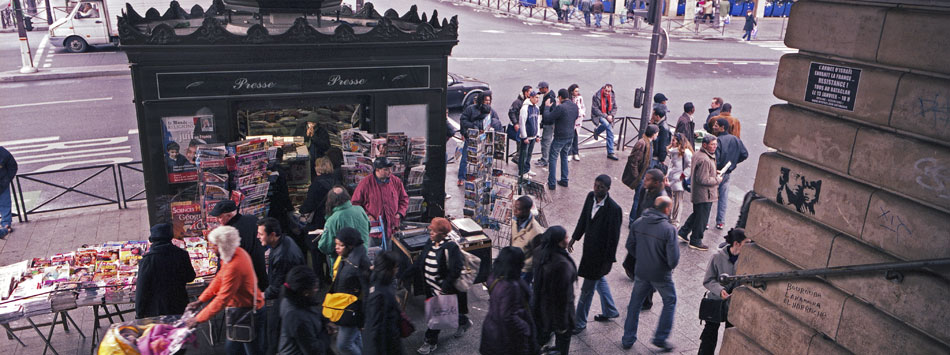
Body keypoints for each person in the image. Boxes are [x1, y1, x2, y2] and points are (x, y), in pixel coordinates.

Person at [186, 226, 265, 355]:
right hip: (240, 310)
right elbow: (219, 279)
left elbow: (222, 299)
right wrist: (201, 300)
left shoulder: (234, 265)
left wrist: (198, 319)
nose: (211, 249)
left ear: (222, 246)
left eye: (214, 246)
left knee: (250, 351)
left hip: (248, 312)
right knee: (233, 349)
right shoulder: (235, 254)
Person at [621, 196, 680, 352]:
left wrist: (641, 258)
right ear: (666, 209)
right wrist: (666, 266)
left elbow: (630, 246)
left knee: (635, 303)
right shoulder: (669, 230)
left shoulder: (639, 223)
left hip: (641, 270)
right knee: (670, 300)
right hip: (661, 274)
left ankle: (628, 338)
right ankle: (660, 338)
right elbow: (673, 259)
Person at [404, 218, 471, 355]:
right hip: (430, 287)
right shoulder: (430, 242)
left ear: (442, 233)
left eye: (434, 230)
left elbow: (456, 269)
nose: (430, 231)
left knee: (437, 317)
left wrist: (444, 288)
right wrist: (403, 275)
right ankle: (463, 321)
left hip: (443, 290)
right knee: (445, 313)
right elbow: (419, 262)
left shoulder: (451, 247)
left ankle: (430, 342)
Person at [569, 175, 622, 333]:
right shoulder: (590, 197)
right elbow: (583, 219)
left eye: (601, 187)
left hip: (599, 257)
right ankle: (610, 310)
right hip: (588, 251)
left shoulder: (614, 209)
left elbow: (614, 238)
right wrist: (574, 238)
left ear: (608, 189)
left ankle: (579, 322)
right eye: (595, 185)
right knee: (598, 280)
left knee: (587, 290)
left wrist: (607, 262)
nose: (597, 189)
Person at [698, 228, 750, 354]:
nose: (749, 246)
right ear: (736, 244)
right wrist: (720, 290)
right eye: (746, 243)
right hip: (716, 302)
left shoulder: (747, 260)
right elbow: (708, 280)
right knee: (709, 336)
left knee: (731, 337)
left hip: (734, 304)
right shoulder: (717, 257)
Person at [258, 217, 305, 355]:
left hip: (289, 298)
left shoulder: (283, 255)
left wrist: (263, 295)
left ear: (272, 235)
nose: (258, 237)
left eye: (261, 234)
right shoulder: (284, 242)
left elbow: (278, 285)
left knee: (274, 333)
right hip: (290, 297)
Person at [480, 247, 538, 355]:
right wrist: (525, 328)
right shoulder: (511, 286)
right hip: (506, 338)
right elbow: (508, 316)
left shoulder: (494, 276)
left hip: (491, 330)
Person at [135, 223, 196, 319]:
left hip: (157, 309)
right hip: (179, 304)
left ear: (152, 240)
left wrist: (139, 312)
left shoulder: (147, 260)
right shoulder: (182, 254)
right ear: (170, 238)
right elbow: (190, 277)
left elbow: (141, 288)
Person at [532, 226, 577, 355]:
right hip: (558, 313)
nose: (568, 240)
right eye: (566, 237)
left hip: (541, 306)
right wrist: (563, 325)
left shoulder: (539, 252)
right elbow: (563, 298)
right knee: (562, 344)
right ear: (558, 241)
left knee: (541, 338)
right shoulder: (562, 264)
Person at [210, 200, 268, 291]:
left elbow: (225, 262)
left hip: (243, 284)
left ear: (229, 215)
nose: (217, 220)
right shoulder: (253, 219)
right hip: (260, 276)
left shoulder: (229, 233)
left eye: (219, 217)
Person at [352, 157, 408, 250]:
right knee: (373, 256)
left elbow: (404, 199)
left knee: (390, 258)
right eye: (386, 169)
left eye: (390, 169)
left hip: (392, 228)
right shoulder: (365, 184)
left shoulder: (396, 181)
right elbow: (355, 204)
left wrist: (399, 213)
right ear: (377, 170)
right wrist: (367, 216)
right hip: (373, 230)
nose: (389, 172)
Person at [677, 135, 723, 251]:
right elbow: (703, 179)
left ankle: (683, 231)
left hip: (699, 192)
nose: (715, 147)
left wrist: (713, 172)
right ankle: (696, 240)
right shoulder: (705, 159)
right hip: (704, 194)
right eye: (712, 144)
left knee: (697, 214)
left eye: (715, 144)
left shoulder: (699, 154)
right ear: (705, 145)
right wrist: (717, 179)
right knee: (702, 218)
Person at [331, 227, 371, 355]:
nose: (337, 248)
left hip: (352, 311)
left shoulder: (358, 263)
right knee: (355, 339)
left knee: (343, 345)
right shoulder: (346, 257)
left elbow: (366, 292)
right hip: (345, 307)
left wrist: (363, 318)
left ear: (350, 245)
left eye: (340, 245)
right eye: (336, 244)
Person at [278, 266, 332, 355]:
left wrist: (325, 321)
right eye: (315, 288)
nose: (317, 290)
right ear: (305, 292)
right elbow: (313, 350)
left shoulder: (292, 299)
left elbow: (313, 310)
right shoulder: (297, 317)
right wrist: (326, 334)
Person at [458, 91, 504, 186]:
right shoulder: (471, 109)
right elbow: (463, 120)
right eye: (485, 100)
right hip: (471, 139)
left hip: (485, 140)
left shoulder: (491, 111)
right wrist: (474, 127)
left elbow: (497, 123)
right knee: (465, 158)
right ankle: (461, 178)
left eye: (489, 100)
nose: (487, 102)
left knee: (483, 160)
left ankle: (481, 177)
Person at [364, 251, 405, 355]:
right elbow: (376, 329)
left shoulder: (377, 282)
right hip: (387, 345)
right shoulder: (380, 294)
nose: (397, 270)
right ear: (388, 269)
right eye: (395, 267)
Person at [712, 119, 748, 230]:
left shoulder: (718, 141)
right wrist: (734, 162)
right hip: (727, 172)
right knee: (723, 197)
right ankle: (720, 221)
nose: (714, 127)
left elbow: (715, 159)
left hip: (717, 172)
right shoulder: (736, 139)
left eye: (716, 125)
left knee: (710, 197)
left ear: (722, 127)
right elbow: (744, 154)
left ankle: (706, 222)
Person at [319, 186, 370, 267]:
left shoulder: (333, 219)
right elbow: (368, 229)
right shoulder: (360, 210)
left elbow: (325, 247)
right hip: (363, 257)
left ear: (330, 200)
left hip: (342, 264)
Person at [544, 89, 579, 190]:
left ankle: (552, 183)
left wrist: (547, 107)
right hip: (570, 136)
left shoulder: (560, 107)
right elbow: (575, 117)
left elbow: (548, 118)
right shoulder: (574, 106)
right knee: (564, 156)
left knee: (553, 157)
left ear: (560, 97)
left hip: (560, 136)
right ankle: (564, 179)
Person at [622, 124, 657, 222]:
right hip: (640, 177)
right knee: (638, 199)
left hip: (643, 176)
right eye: (657, 133)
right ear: (653, 134)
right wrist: (637, 178)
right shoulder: (642, 143)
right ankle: (633, 220)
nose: (657, 135)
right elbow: (633, 161)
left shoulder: (648, 143)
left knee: (640, 199)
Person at [299, 157, 339, 232]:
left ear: (318, 168)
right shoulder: (336, 181)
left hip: (319, 218)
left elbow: (310, 204)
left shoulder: (316, 184)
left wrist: (301, 210)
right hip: (334, 216)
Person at [511, 195, 544, 283]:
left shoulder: (536, 232)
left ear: (526, 211)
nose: (515, 211)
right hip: (513, 264)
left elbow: (538, 257)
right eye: (514, 207)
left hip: (525, 271)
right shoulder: (515, 221)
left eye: (518, 209)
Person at [667, 133, 694, 226]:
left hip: (679, 180)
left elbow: (690, 166)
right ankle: (671, 218)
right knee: (672, 199)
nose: (672, 142)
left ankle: (675, 221)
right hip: (673, 178)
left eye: (674, 140)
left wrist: (683, 175)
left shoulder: (686, 153)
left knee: (678, 201)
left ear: (679, 142)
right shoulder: (674, 152)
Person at [590, 84, 619, 160]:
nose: (607, 93)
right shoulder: (596, 96)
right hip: (599, 115)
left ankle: (610, 152)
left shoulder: (612, 95)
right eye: (606, 91)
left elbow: (615, 107)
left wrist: (611, 115)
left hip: (609, 115)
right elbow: (595, 109)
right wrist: (606, 116)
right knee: (607, 125)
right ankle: (610, 152)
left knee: (610, 131)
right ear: (603, 89)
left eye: (609, 91)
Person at [517, 91, 542, 178]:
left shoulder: (537, 108)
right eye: (535, 97)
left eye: (538, 97)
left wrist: (538, 135)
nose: (537, 99)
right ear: (530, 97)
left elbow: (537, 123)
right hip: (526, 137)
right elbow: (522, 123)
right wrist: (524, 136)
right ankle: (522, 172)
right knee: (524, 154)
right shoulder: (525, 108)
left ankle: (527, 169)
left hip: (533, 136)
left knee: (529, 154)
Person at [536, 82, 558, 168]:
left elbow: (546, 111)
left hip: (549, 123)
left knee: (546, 142)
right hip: (548, 123)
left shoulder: (549, 98)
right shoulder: (547, 96)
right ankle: (545, 158)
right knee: (546, 141)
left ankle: (545, 160)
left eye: (540, 89)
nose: (539, 90)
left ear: (545, 88)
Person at [0, 146, 16, 238]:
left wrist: (6, 180)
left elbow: (12, 166)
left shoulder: (2, 152)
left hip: (2, 183)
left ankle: (6, 224)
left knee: (5, 203)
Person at [568, 84, 586, 162]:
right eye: (575, 91)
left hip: (578, 120)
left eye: (578, 91)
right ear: (572, 91)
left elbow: (582, 107)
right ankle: (569, 153)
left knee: (575, 136)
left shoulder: (580, 98)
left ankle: (575, 153)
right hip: (570, 120)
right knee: (570, 137)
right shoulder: (569, 99)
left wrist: (582, 113)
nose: (577, 92)